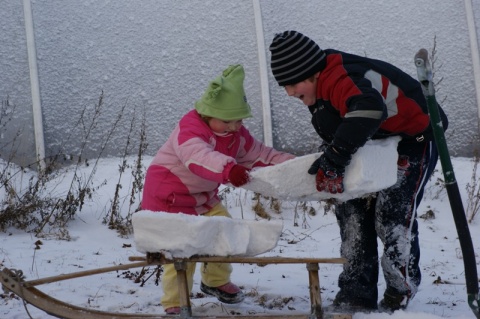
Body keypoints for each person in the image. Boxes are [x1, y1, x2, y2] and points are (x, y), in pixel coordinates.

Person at [269, 30, 448, 312]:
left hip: (415, 139)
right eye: (285, 86)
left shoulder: (338, 76)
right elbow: (341, 123)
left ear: (310, 72)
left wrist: (338, 155)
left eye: (292, 83)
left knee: (391, 216)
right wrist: (332, 155)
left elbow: (368, 108)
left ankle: (398, 293)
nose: (289, 92)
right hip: (372, 141)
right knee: (351, 213)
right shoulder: (317, 88)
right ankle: (355, 293)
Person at [141, 64, 295, 315]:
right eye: (227, 121)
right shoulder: (190, 128)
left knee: (224, 232)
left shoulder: (235, 134)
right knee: (181, 251)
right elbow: (197, 156)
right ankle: (175, 301)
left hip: (202, 198)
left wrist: (291, 165)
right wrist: (229, 170)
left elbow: (259, 154)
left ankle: (214, 281)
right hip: (168, 198)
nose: (234, 126)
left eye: (239, 120)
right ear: (207, 113)